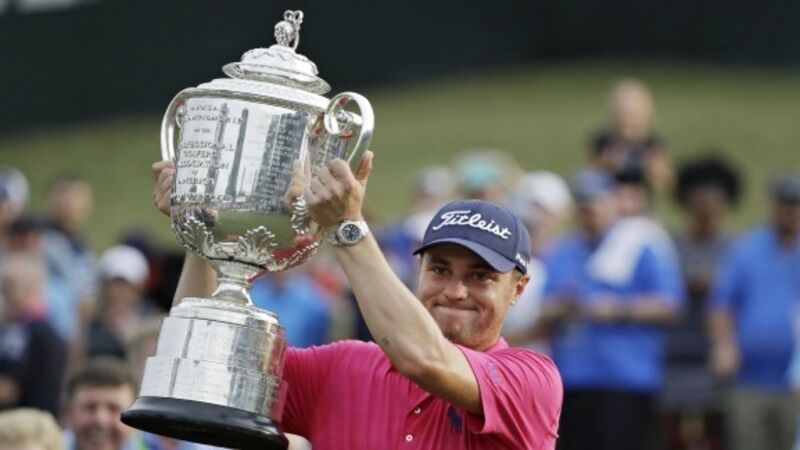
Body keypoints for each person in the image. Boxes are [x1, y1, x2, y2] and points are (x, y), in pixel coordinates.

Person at [151, 152, 563, 449]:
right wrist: (202, 235)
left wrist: (347, 228)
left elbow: (425, 360)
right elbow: (203, 369)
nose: (455, 291)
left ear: (518, 289)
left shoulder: (532, 380)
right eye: (440, 270)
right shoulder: (343, 365)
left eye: (480, 277)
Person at [535, 169, 683, 450]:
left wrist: (618, 309)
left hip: (625, 377)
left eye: (596, 203)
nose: (589, 212)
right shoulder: (563, 252)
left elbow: (669, 304)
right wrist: (564, 307)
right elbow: (543, 308)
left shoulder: (639, 245)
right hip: (573, 378)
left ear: (613, 203)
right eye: (583, 205)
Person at [709, 172, 800, 450]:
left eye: (795, 204)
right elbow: (722, 304)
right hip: (749, 379)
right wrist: (724, 345)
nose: (789, 211)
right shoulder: (746, 249)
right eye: (784, 203)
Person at [661, 154, 741, 450]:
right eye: (698, 196)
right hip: (672, 352)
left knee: (719, 431)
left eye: (713, 196)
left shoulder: (736, 247)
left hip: (717, 355)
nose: (705, 204)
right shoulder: (668, 244)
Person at [0, 252, 67, 417]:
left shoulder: (29, 331)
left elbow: (8, 390)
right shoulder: (45, 328)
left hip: (25, 424)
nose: (6, 293)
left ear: (33, 286)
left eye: (11, 285)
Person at [590, 79, 673, 191]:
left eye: (631, 112)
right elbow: (589, 175)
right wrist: (607, 164)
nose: (626, 116)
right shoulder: (604, 142)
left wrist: (654, 169)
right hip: (610, 196)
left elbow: (666, 181)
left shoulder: (651, 144)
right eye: (622, 111)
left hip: (639, 197)